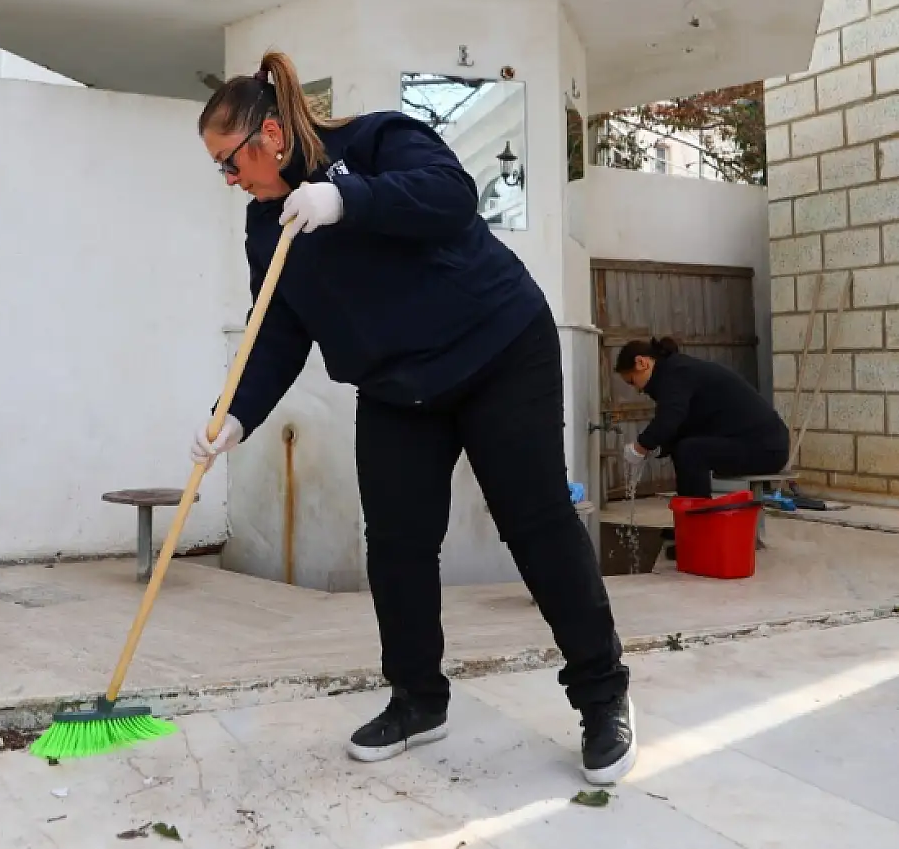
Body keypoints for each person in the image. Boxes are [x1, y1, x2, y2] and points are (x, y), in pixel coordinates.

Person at [190, 50, 635, 786]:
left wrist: (346, 200)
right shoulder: (265, 229)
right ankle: (418, 699)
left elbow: (449, 195)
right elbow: (276, 329)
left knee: (537, 522)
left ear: (270, 134)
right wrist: (234, 415)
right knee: (396, 545)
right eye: (220, 170)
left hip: (497, 348)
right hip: (400, 386)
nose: (230, 180)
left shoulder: (376, 140)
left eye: (230, 163)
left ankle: (602, 696)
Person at [615, 336, 789, 499]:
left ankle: (698, 522)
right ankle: (688, 522)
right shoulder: (675, 370)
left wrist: (640, 447)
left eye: (632, 381)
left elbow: (670, 418)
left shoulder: (675, 374)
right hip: (760, 442)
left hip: (766, 447)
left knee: (691, 452)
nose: (638, 389)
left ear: (641, 363)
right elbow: (685, 423)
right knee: (686, 448)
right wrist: (659, 447)